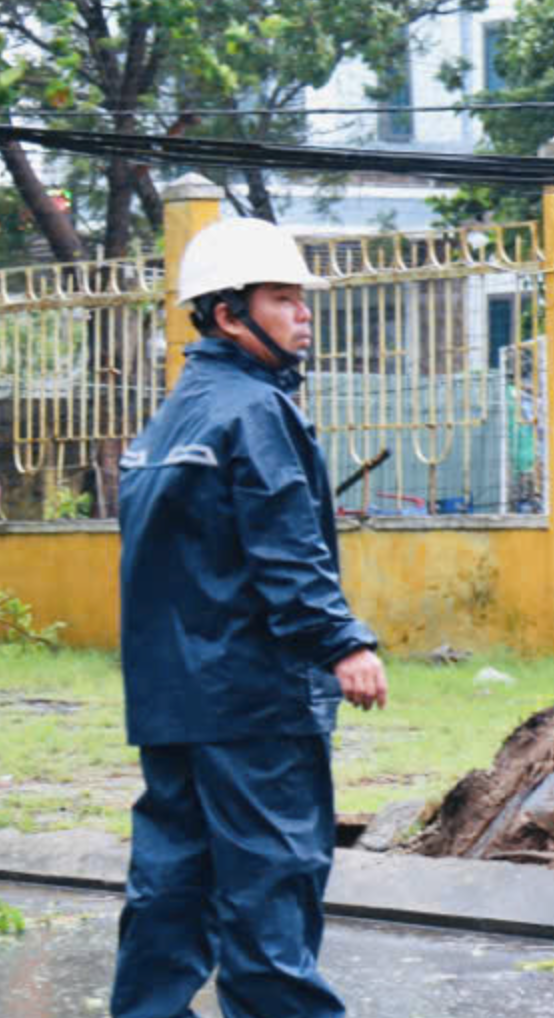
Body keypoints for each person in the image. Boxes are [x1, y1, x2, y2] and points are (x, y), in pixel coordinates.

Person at [112, 216, 387, 1018]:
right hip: (252, 696)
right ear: (230, 314)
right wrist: (342, 642)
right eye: (282, 298)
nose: (303, 314)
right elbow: (283, 544)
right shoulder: (255, 411)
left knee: (171, 880)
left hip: (170, 700)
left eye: (301, 298)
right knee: (271, 876)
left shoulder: (175, 415)